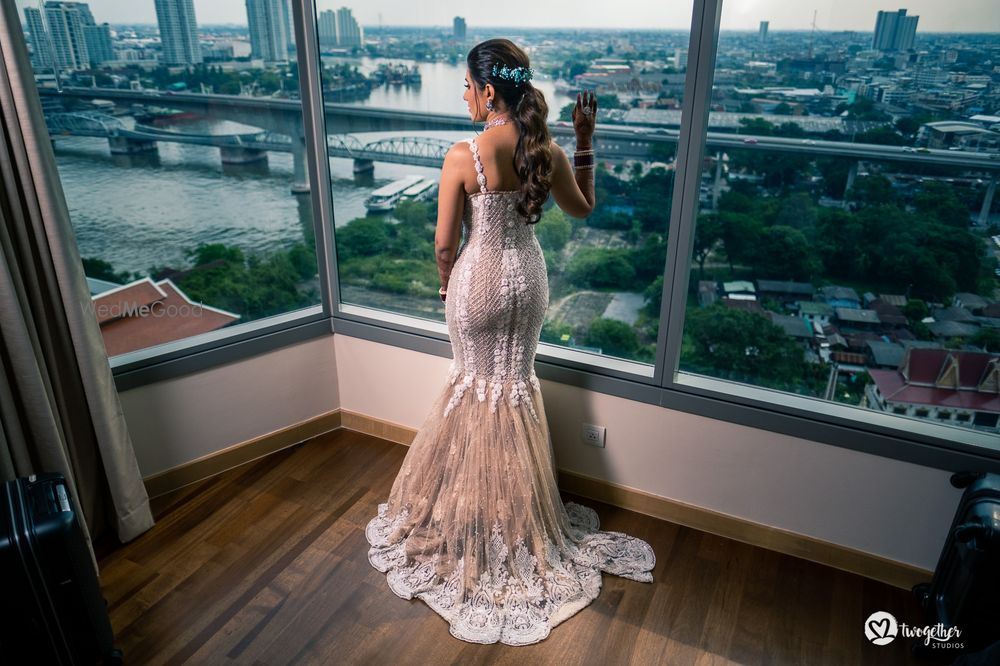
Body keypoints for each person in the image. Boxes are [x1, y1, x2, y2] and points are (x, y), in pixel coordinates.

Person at [365, 38, 655, 647]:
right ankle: (516, 522)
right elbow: (584, 208)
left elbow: (446, 243)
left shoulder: (461, 155)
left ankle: (471, 517)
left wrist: (447, 283)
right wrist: (584, 139)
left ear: (489, 91)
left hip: (480, 281)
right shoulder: (544, 147)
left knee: (472, 390)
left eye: (468, 87)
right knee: (512, 391)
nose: (464, 96)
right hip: (528, 283)